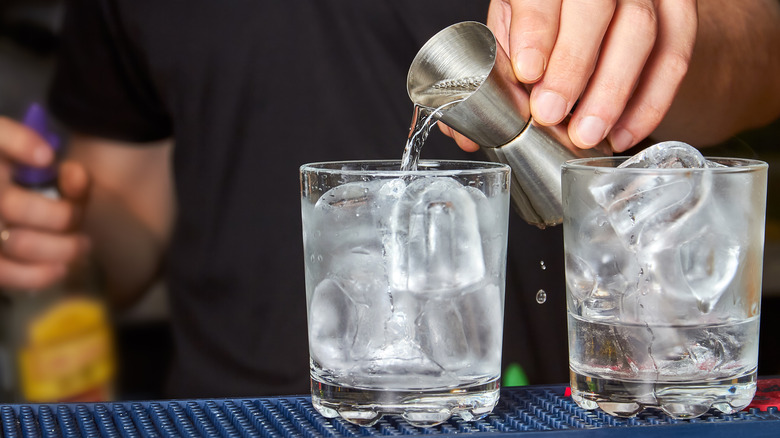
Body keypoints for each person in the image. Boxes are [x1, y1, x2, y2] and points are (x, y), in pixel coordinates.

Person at [0, 0, 778, 399]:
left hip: (554, 406)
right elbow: (126, 208)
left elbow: (762, 44)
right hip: (236, 414)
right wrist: (43, 223)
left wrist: (682, 32)